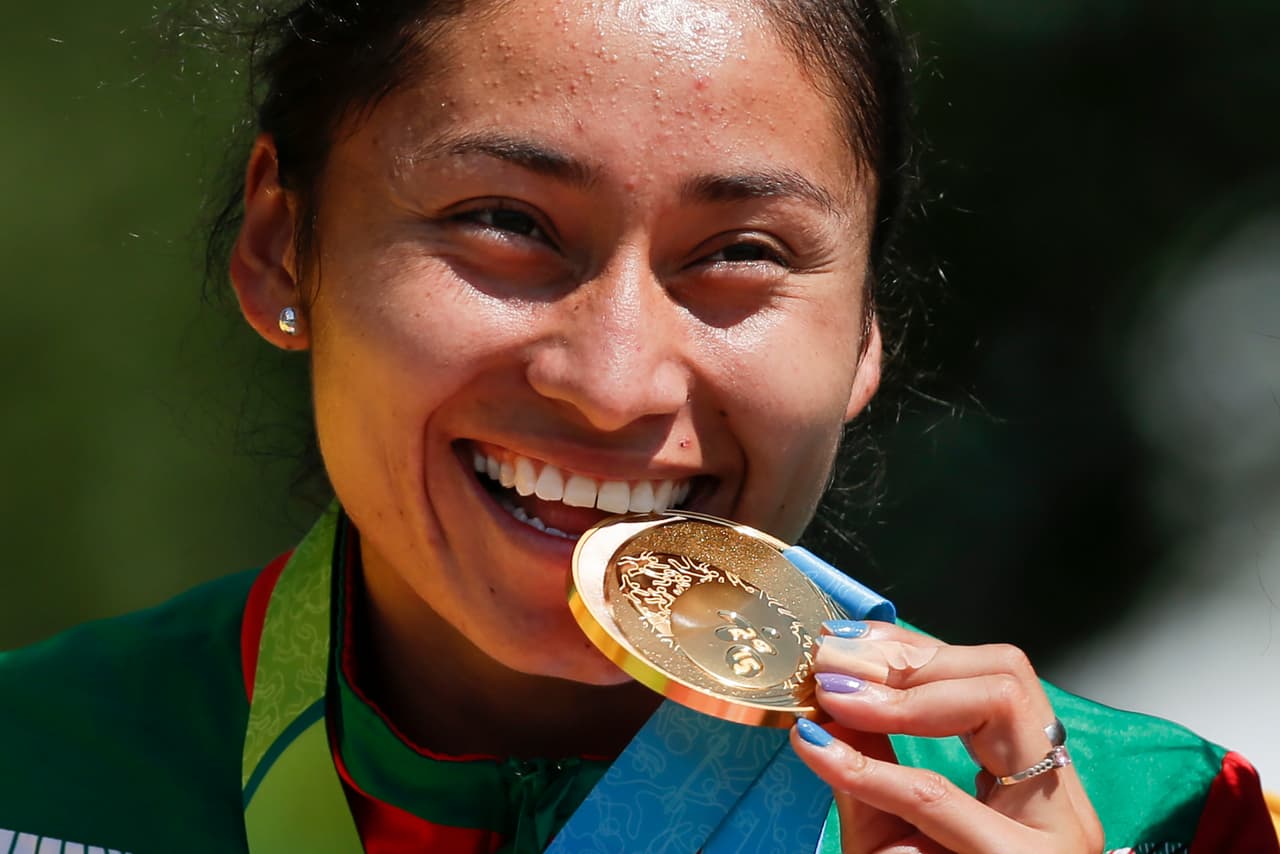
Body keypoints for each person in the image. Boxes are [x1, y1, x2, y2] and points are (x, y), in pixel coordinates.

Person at [0, 0, 1276, 852]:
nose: (612, 386)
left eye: (740, 252)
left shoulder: (1180, 820)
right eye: (504, 221)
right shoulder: (33, 774)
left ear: (863, 327)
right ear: (285, 247)